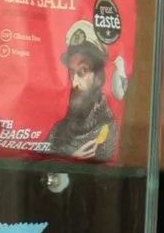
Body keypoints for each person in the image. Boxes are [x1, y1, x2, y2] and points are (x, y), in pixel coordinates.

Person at [45, 22, 117, 159]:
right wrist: (70, 157)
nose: (74, 83)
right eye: (72, 73)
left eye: (83, 71)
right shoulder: (58, 129)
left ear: (98, 78)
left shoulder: (108, 129)